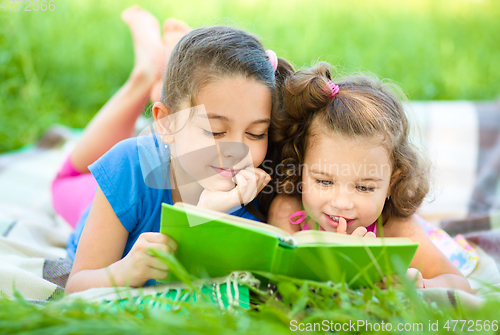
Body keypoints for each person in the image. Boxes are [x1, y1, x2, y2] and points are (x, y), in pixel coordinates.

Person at [60, 7, 293, 293]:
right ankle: (146, 73)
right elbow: (76, 286)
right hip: (102, 189)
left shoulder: (258, 190)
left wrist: (207, 214)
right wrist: (123, 272)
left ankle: (168, 68)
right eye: (215, 131)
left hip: (174, 151)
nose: (237, 150)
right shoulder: (127, 168)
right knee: (71, 176)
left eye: (256, 133)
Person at [267, 62, 473, 292]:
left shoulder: (393, 226)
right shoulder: (288, 212)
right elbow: (279, 281)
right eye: (325, 182)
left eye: (364, 188)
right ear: (300, 168)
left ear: (391, 183)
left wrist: (419, 284)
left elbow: (460, 285)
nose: (341, 204)